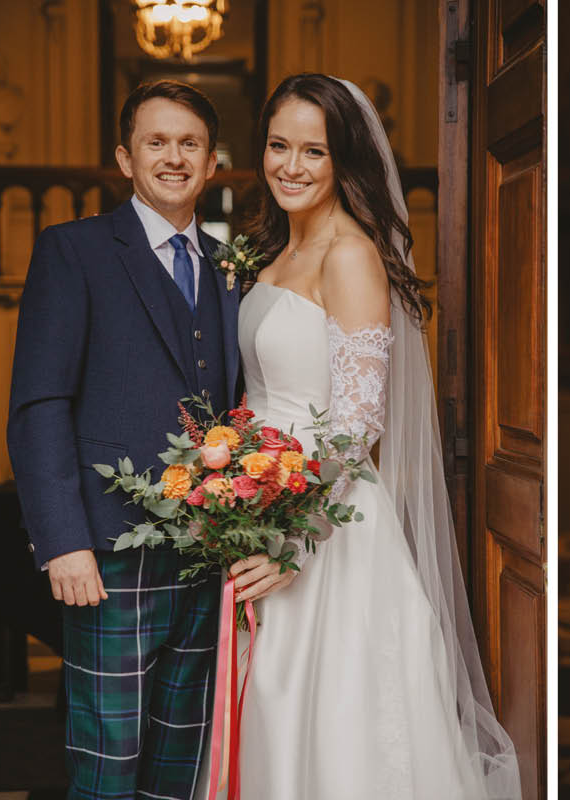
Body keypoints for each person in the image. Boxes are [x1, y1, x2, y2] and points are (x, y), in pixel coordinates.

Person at [194, 74, 520, 799]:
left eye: (314, 151)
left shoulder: (350, 255)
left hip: (324, 525)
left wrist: (292, 537)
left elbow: (356, 422)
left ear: (344, 161)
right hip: (259, 505)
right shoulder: (269, 251)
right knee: (269, 710)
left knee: (332, 724)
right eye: (280, 146)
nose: (291, 166)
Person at [7, 80, 243, 799]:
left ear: (211, 163)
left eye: (190, 144)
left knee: (181, 761)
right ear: (125, 157)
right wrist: (62, 541)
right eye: (157, 141)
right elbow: (39, 402)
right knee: (108, 765)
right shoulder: (72, 250)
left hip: (210, 551)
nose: (174, 157)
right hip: (110, 554)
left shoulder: (230, 265)